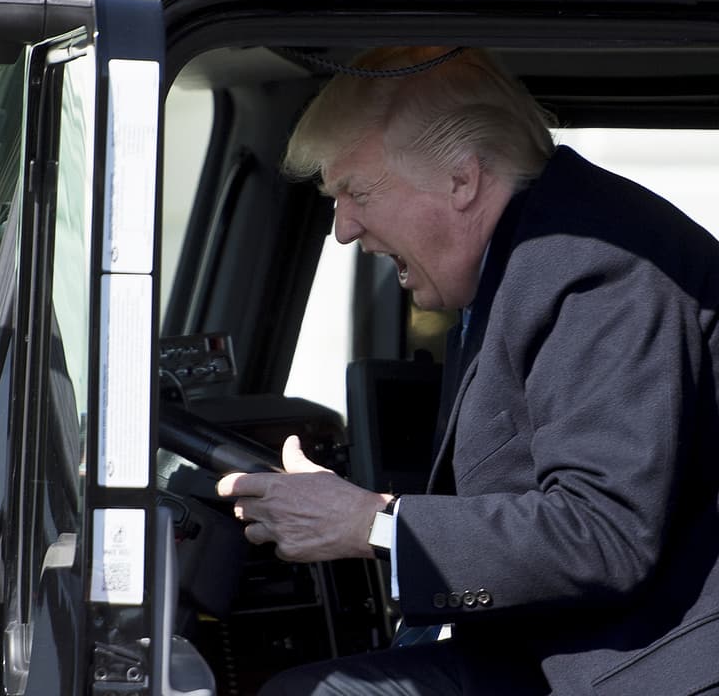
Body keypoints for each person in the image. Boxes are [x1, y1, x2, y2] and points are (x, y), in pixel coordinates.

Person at [217, 47, 719, 695]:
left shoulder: (592, 266)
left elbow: (603, 536)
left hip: (635, 668)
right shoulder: (523, 261)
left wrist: (370, 522)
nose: (343, 228)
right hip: (559, 648)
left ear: (462, 180)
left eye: (357, 191)